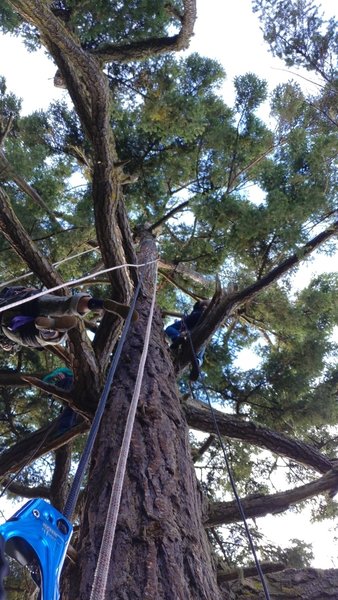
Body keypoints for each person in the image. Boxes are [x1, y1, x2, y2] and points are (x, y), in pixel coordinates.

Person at [0, 285, 138, 351]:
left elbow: (7, 345)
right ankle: (98, 304)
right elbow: (27, 289)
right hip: (29, 300)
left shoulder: (6, 295)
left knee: (38, 338)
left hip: (11, 324)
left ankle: (50, 329)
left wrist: (6, 346)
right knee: (64, 304)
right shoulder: (14, 291)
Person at [165, 300, 209, 381]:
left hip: (191, 330)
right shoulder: (198, 311)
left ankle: (179, 339)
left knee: (169, 329)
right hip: (190, 328)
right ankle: (198, 360)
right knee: (203, 341)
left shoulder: (202, 313)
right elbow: (200, 304)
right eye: (204, 306)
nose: (204, 307)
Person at [42, 367, 79, 434]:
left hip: (67, 389)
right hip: (65, 385)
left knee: (73, 408)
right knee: (72, 406)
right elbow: (47, 380)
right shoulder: (65, 371)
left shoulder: (72, 373)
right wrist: (56, 376)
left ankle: (67, 427)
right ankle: (64, 428)